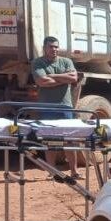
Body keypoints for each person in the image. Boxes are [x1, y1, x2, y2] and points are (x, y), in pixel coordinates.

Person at [30, 36, 80, 178]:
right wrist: (63, 79)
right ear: (44, 48)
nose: (54, 49)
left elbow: (74, 78)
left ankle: (74, 171)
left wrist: (54, 76)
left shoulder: (66, 61)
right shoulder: (38, 63)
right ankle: (52, 172)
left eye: (56, 47)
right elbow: (42, 81)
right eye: (51, 46)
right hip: (47, 107)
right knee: (50, 140)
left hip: (65, 106)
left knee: (70, 139)